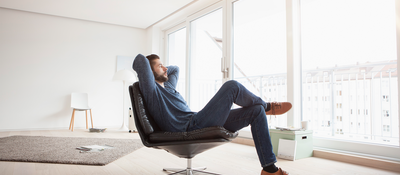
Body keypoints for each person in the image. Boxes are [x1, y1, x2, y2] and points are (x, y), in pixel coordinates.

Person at [132, 53, 292, 175]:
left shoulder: (169, 87)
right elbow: (140, 60)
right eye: (160, 66)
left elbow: (175, 69)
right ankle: (267, 106)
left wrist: (160, 68)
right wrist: (152, 67)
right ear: (149, 73)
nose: (165, 68)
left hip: (197, 119)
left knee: (255, 111)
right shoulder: (152, 91)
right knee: (232, 86)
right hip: (190, 127)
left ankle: (269, 169)